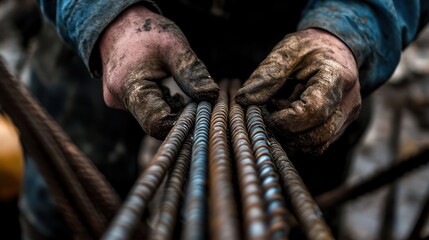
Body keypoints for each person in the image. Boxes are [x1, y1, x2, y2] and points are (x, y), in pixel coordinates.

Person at [24, 0, 429, 238]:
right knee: (67, 199)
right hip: (122, 24)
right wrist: (105, 17)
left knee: (305, 172)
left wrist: (347, 31)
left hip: (300, 25)